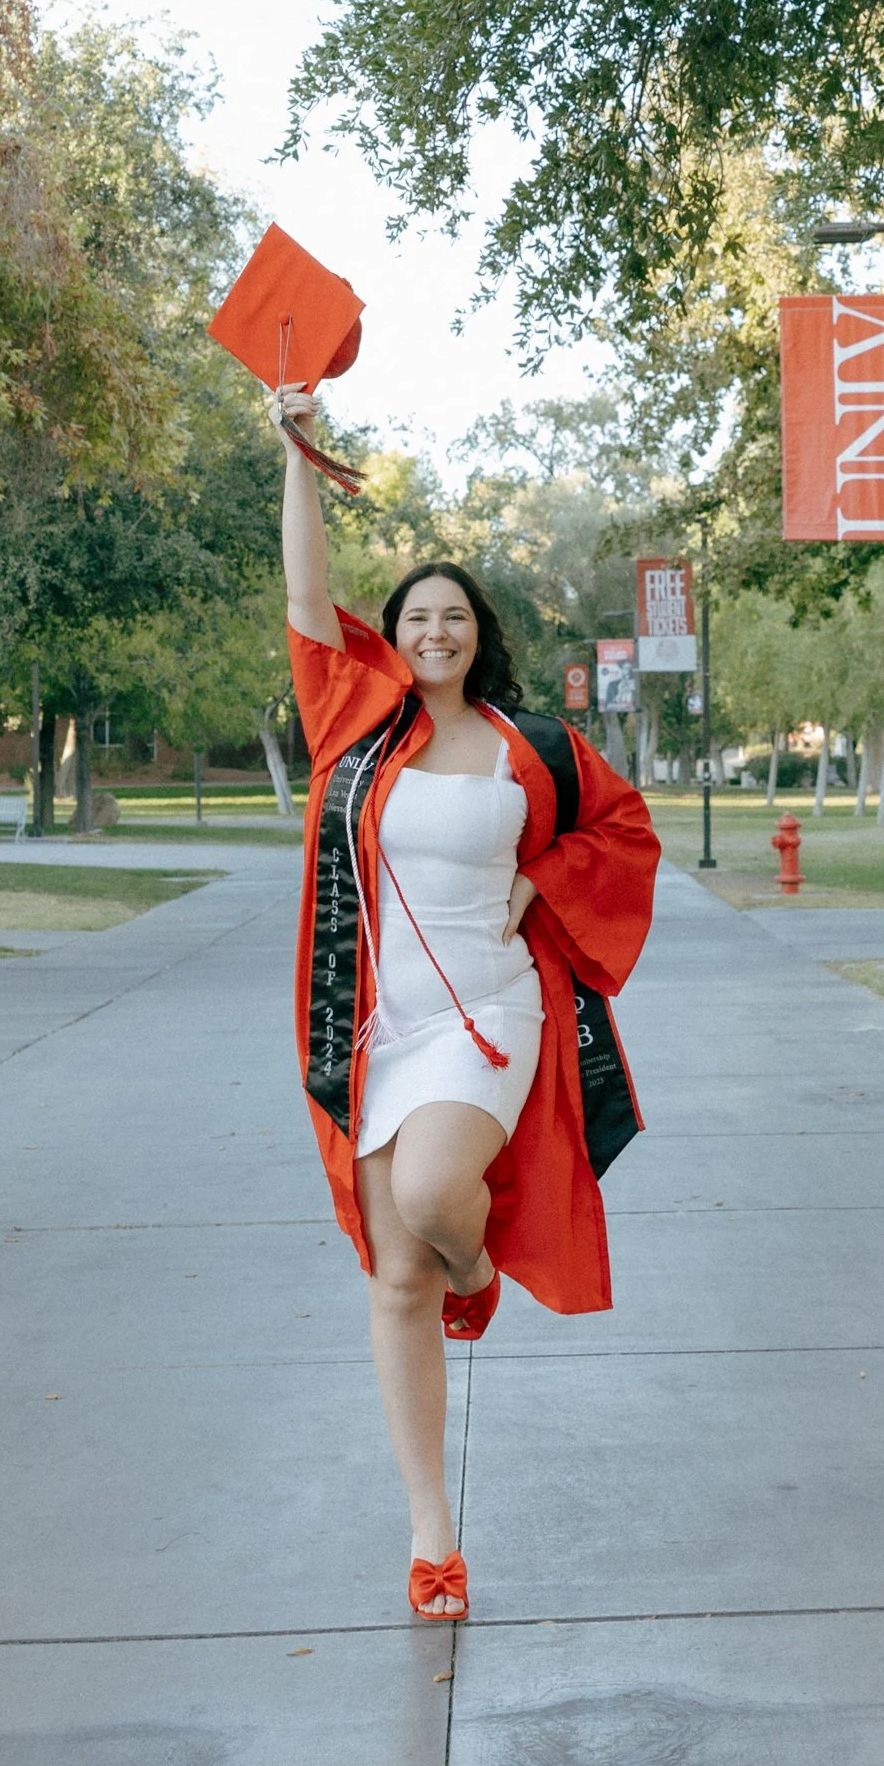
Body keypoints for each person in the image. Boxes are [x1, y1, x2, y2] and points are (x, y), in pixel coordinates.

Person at [276, 381, 660, 1621]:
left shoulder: (529, 744)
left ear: (475, 632)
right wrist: (294, 450)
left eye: (451, 614)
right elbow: (298, 593)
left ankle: (476, 1264)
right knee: (393, 1278)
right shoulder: (358, 726)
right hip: (377, 1022)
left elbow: (623, 830)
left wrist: (542, 881)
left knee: (438, 1200)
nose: (432, 629)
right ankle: (430, 1533)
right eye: (413, 615)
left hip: (492, 1012)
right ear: (389, 634)